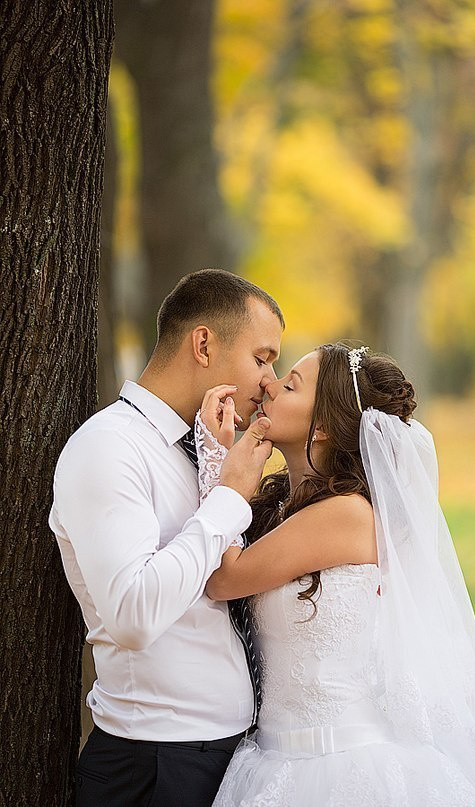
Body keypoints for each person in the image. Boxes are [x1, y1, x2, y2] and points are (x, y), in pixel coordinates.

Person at [194, 343, 475, 806]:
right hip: (273, 757)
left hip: (340, 765)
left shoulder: (346, 515)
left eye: (289, 385)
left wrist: (216, 465)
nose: (269, 384)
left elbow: (224, 577)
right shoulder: (281, 508)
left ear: (325, 426)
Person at [48, 268, 284, 807]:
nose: (270, 381)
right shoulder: (109, 447)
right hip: (155, 766)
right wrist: (229, 499)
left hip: (226, 757)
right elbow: (132, 614)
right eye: (262, 358)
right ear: (204, 343)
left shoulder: (204, 450)